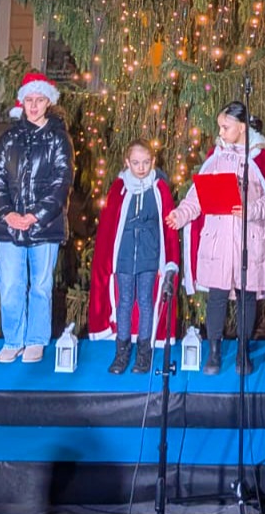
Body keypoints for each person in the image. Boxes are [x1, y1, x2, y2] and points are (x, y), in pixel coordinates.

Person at [166, 103, 265, 376]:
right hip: (218, 240)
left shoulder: (261, 159)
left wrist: (250, 209)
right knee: (216, 297)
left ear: (241, 128)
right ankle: (215, 351)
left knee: (246, 298)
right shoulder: (215, 158)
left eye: (225, 127)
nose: (220, 132)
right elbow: (197, 196)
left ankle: (243, 350)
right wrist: (180, 215)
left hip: (248, 241)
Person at [0, 73, 73, 364]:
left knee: (40, 286)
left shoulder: (58, 138)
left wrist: (36, 215)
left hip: (44, 226)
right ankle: (13, 339)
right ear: (22, 102)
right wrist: (8, 213)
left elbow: (61, 181)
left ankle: (36, 339)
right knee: (10, 285)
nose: (34, 105)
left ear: (48, 102)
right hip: (10, 226)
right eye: (29, 100)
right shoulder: (9, 138)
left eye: (39, 100)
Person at [89, 140, 179, 375]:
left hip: (149, 257)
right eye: (136, 163)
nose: (141, 168)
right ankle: (122, 351)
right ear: (127, 163)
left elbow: (168, 225)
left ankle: (144, 352)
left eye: (146, 162)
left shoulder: (159, 188)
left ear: (153, 162)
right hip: (124, 257)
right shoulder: (119, 188)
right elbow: (109, 226)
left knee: (146, 302)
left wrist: (168, 260)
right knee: (125, 302)